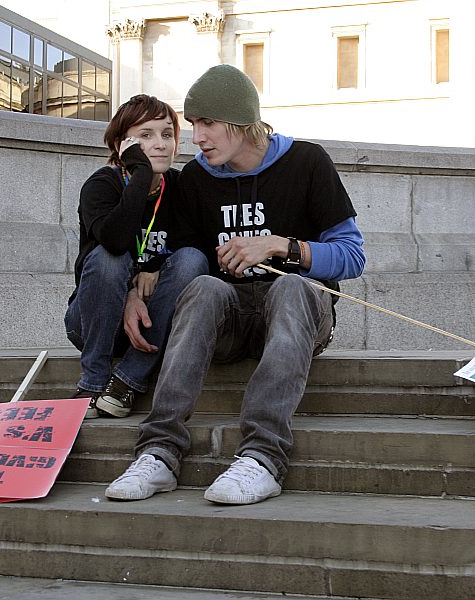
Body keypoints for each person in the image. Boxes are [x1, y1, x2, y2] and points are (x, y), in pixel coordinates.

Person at [105, 64, 366, 505]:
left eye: (206, 123)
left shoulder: (307, 162)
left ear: (242, 122)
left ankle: (262, 457)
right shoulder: (198, 179)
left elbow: (353, 255)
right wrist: (135, 287)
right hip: (229, 322)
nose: (196, 137)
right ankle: (159, 452)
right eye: (192, 125)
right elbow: (176, 260)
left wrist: (280, 245)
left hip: (294, 316)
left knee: (292, 288)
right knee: (205, 286)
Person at [65, 94, 208, 419]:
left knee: (193, 261)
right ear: (121, 144)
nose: (160, 144)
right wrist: (141, 172)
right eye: (146, 136)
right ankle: (92, 381)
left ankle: (127, 381)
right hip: (94, 323)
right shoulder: (102, 185)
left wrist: (155, 266)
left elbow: (195, 243)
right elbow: (114, 242)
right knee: (108, 259)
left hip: (153, 321)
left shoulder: (179, 186)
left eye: (167, 134)